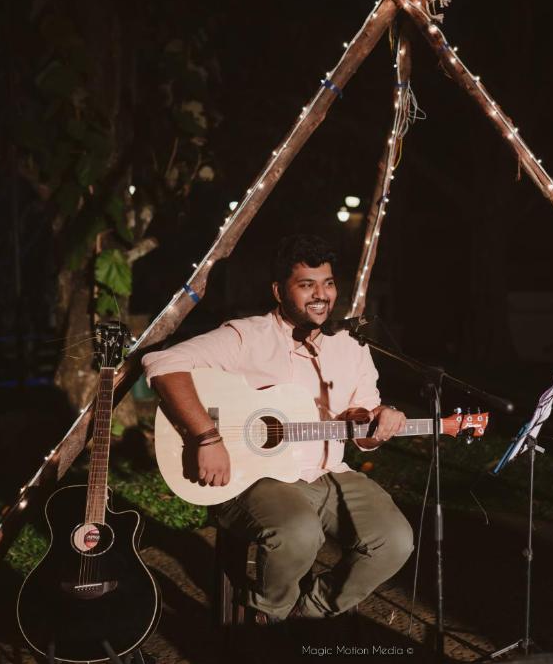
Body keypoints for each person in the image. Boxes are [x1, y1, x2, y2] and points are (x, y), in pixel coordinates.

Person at [142, 234, 414, 622]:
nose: (321, 295)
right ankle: (270, 611)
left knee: (395, 540)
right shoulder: (247, 336)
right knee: (298, 533)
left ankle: (309, 611)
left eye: (328, 283)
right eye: (306, 285)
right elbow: (163, 365)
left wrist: (379, 418)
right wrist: (207, 436)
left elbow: (363, 417)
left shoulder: (351, 344)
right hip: (257, 477)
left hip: (330, 473)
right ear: (278, 291)